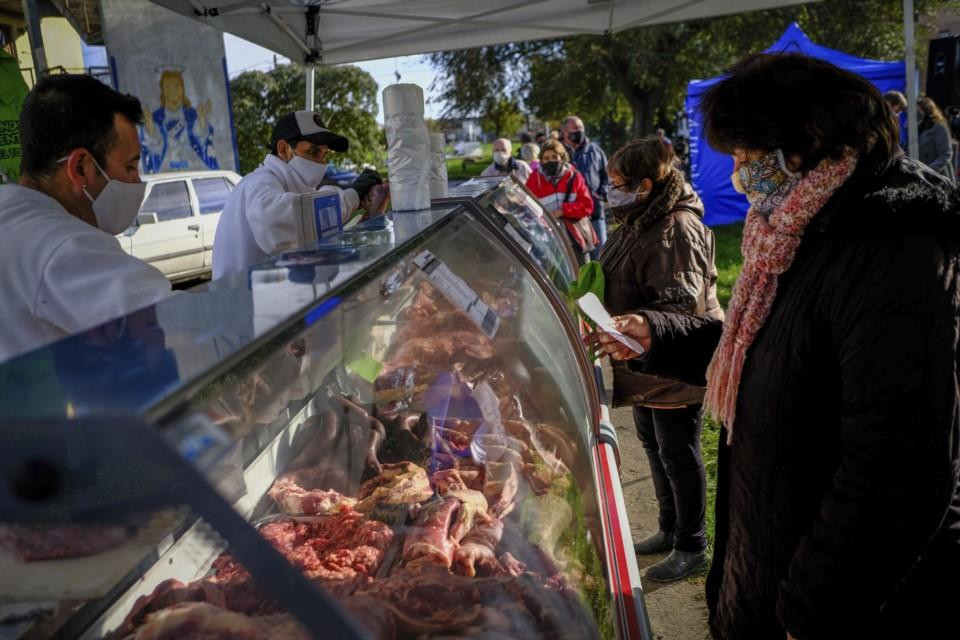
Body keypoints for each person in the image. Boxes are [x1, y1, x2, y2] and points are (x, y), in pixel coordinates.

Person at [589, 53, 960, 640]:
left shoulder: (892, 249)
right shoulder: (793, 225)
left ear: (806, 139)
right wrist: (659, 334)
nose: (737, 172)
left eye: (745, 155)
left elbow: (897, 466)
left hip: (823, 599)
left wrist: (810, 609)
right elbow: (769, 349)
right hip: (768, 553)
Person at [599, 136, 723, 582]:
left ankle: (693, 543)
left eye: (617, 184)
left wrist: (636, 321)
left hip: (672, 364)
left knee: (678, 452)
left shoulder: (676, 228)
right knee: (654, 446)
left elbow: (680, 307)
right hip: (644, 363)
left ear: (645, 184)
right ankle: (670, 529)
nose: (610, 191)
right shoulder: (640, 217)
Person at [0, 74, 172, 362]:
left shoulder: (10, 212)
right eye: (130, 166)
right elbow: (171, 321)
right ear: (81, 168)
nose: (137, 180)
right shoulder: (60, 244)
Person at [213, 111, 384, 279]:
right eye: (313, 152)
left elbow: (306, 230)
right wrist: (351, 196)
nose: (321, 163)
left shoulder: (286, 187)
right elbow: (275, 221)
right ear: (283, 149)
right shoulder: (260, 181)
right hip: (242, 302)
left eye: (324, 155)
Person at [525, 140, 596, 264]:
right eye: (546, 158)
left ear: (562, 157)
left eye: (554, 156)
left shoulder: (574, 176)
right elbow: (527, 208)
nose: (550, 160)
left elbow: (587, 206)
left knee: (583, 274)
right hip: (548, 241)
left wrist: (562, 211)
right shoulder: (533, 180)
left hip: (575, 238)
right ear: (541, 161)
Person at [141, 69, 218, 172]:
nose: (172, 90)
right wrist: (150, 128)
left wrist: (202, 120)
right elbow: (152, 148)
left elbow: (202, 140)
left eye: (176, 85)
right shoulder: (155, 118)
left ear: (183, 89)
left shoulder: (193, 115)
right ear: (162, 90)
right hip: (166, 173)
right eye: (167, 86)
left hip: (194, 171)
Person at [561, 115, 609, 260]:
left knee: (602, 256)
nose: (579, 131)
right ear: (565, 133)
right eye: (575, 128)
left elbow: (607, 175)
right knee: (575, 259)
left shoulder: (595, 151)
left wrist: (601, 194)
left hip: (595, 212)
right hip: (568, 217)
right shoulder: (558, 153)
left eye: (581, 128)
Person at [918, 95, 956, 182]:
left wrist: (929, 170)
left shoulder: (939, 127)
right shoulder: (916, 128)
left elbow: (946, 154)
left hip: (938, 177)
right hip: (920, 177)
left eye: (919, 111)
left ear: (926, 111)